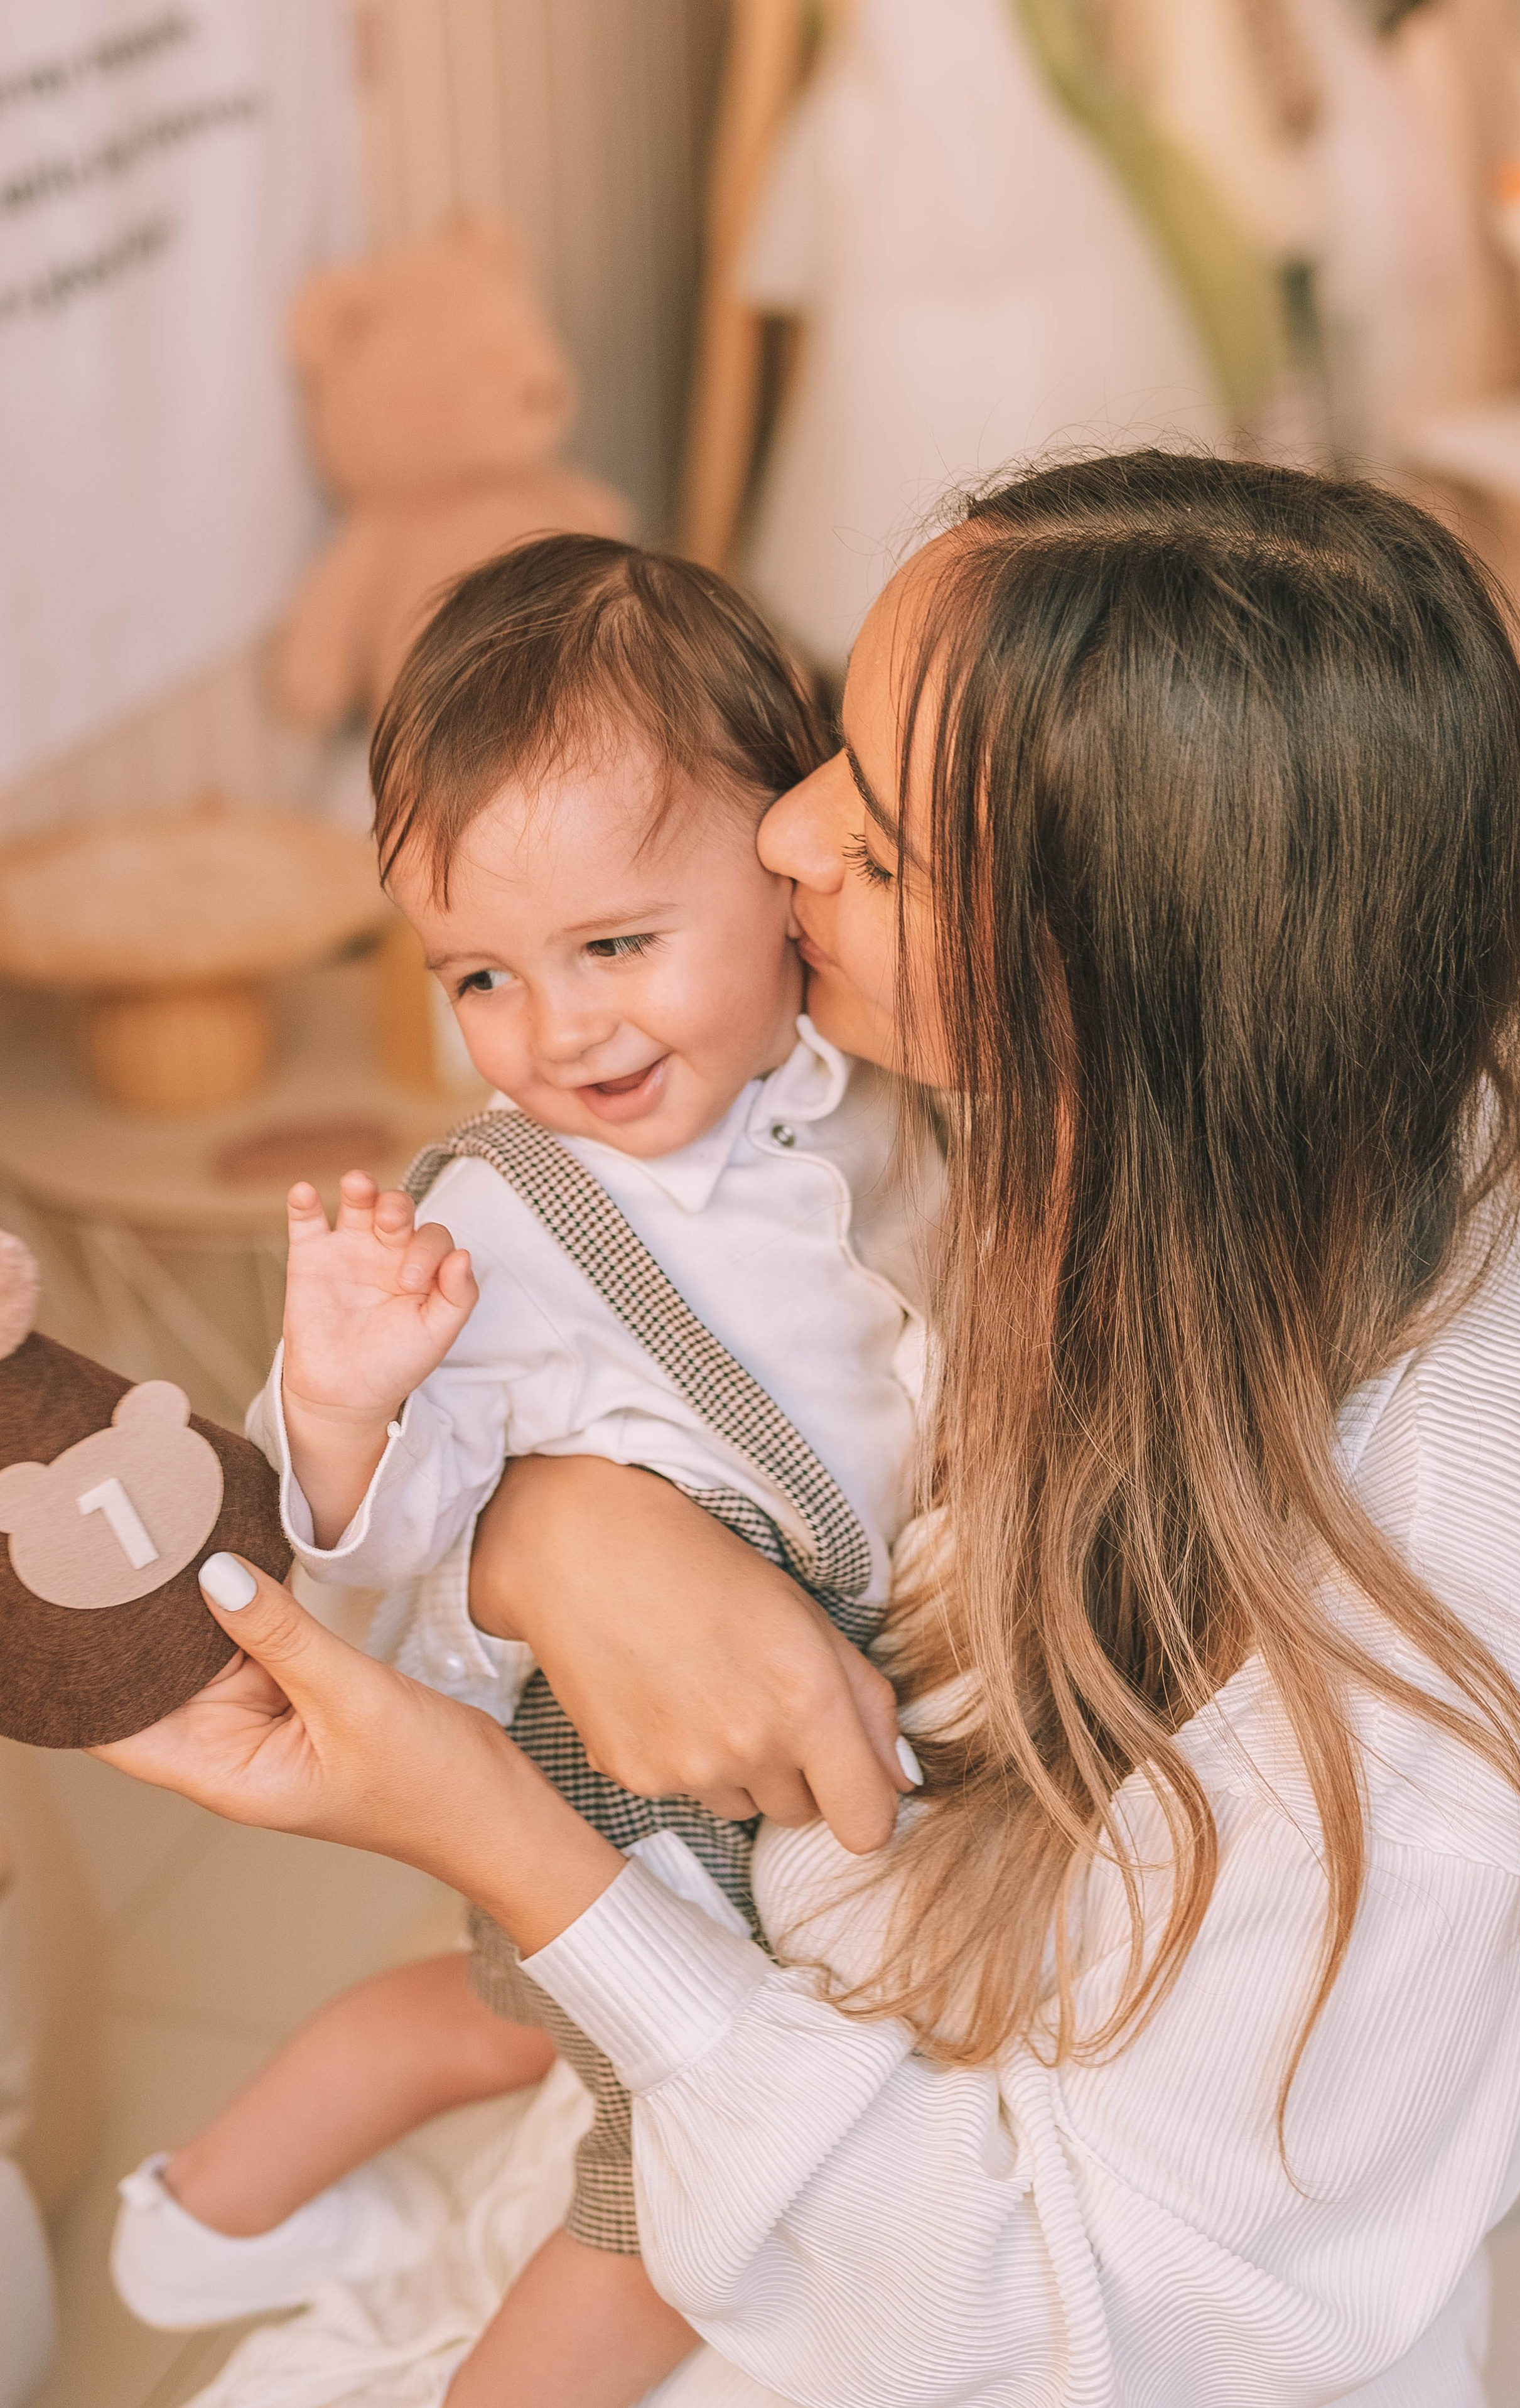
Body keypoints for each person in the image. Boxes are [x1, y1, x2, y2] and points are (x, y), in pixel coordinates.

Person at [100, 451, 1520, 2408]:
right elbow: (437, 1499)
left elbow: (1054, 2311)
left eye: (883, 849)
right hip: (804, 2061)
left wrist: (512, 1839)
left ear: (1106, 993)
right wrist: (545, 1526)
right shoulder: (1106, 1149)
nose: (787, 835)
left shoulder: (1420, 1642)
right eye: (832, 740)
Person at [110, 536, 930, 2408]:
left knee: (502, 2012)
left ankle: (216, 2204)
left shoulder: (831, 1088)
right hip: (642, 1768)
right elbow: (389, 1540)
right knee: (679, 2181)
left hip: (757, 1714)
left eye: (616, 946)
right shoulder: (508, 1217)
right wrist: (343, 1395)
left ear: (787, 864)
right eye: (482, 973)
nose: (557, 1031)